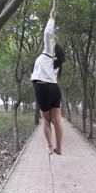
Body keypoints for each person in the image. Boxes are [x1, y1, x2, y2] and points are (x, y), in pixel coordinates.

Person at [31, 9, 65, 155]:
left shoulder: (48, 53)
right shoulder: (56, 66)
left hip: (43, 88)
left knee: (46, 121)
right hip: (55, 89)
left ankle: (50, 146)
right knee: (57, 120)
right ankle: (59, 148)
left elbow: (47, 34)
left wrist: (51, 19)